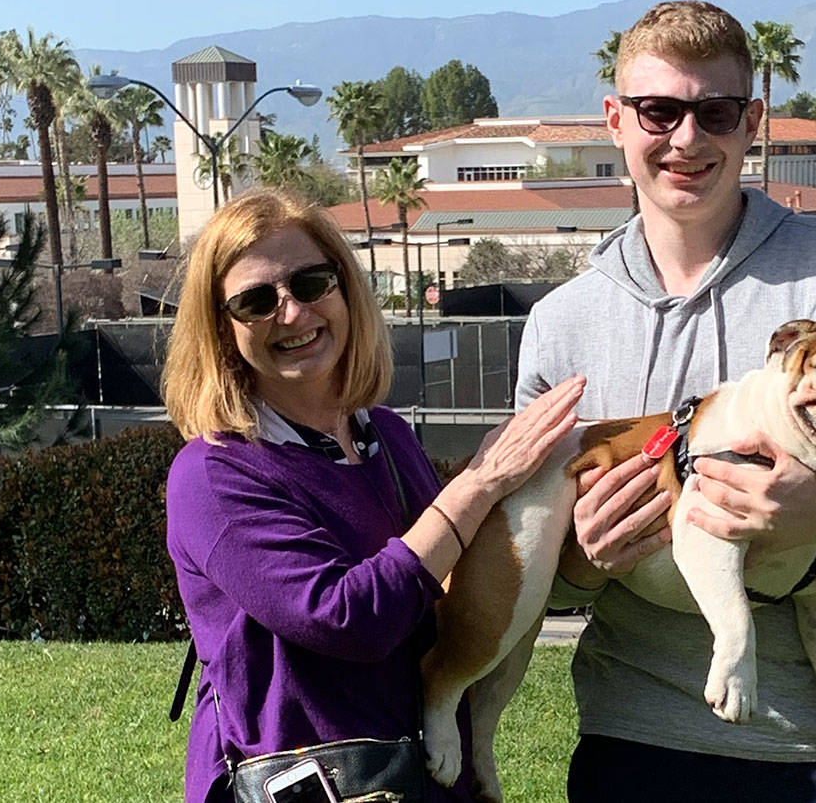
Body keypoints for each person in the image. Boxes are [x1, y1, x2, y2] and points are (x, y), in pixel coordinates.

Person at [516, 1, 816, 801]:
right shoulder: (560, 325)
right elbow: (542, 564)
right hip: (642, 742)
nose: (686, 139)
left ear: (751, 122)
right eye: (658, 112)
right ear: (615, 120)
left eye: (714, 113)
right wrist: (583, 558)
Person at [162, 189, 583, 803]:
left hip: (425, 776)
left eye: (312, 283)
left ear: (345, 291)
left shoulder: (385, 434)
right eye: (256, 301)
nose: (292, 313)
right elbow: (346, 619)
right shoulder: (214, 475)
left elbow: (450, 585)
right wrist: (480, 482)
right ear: (220, 330)